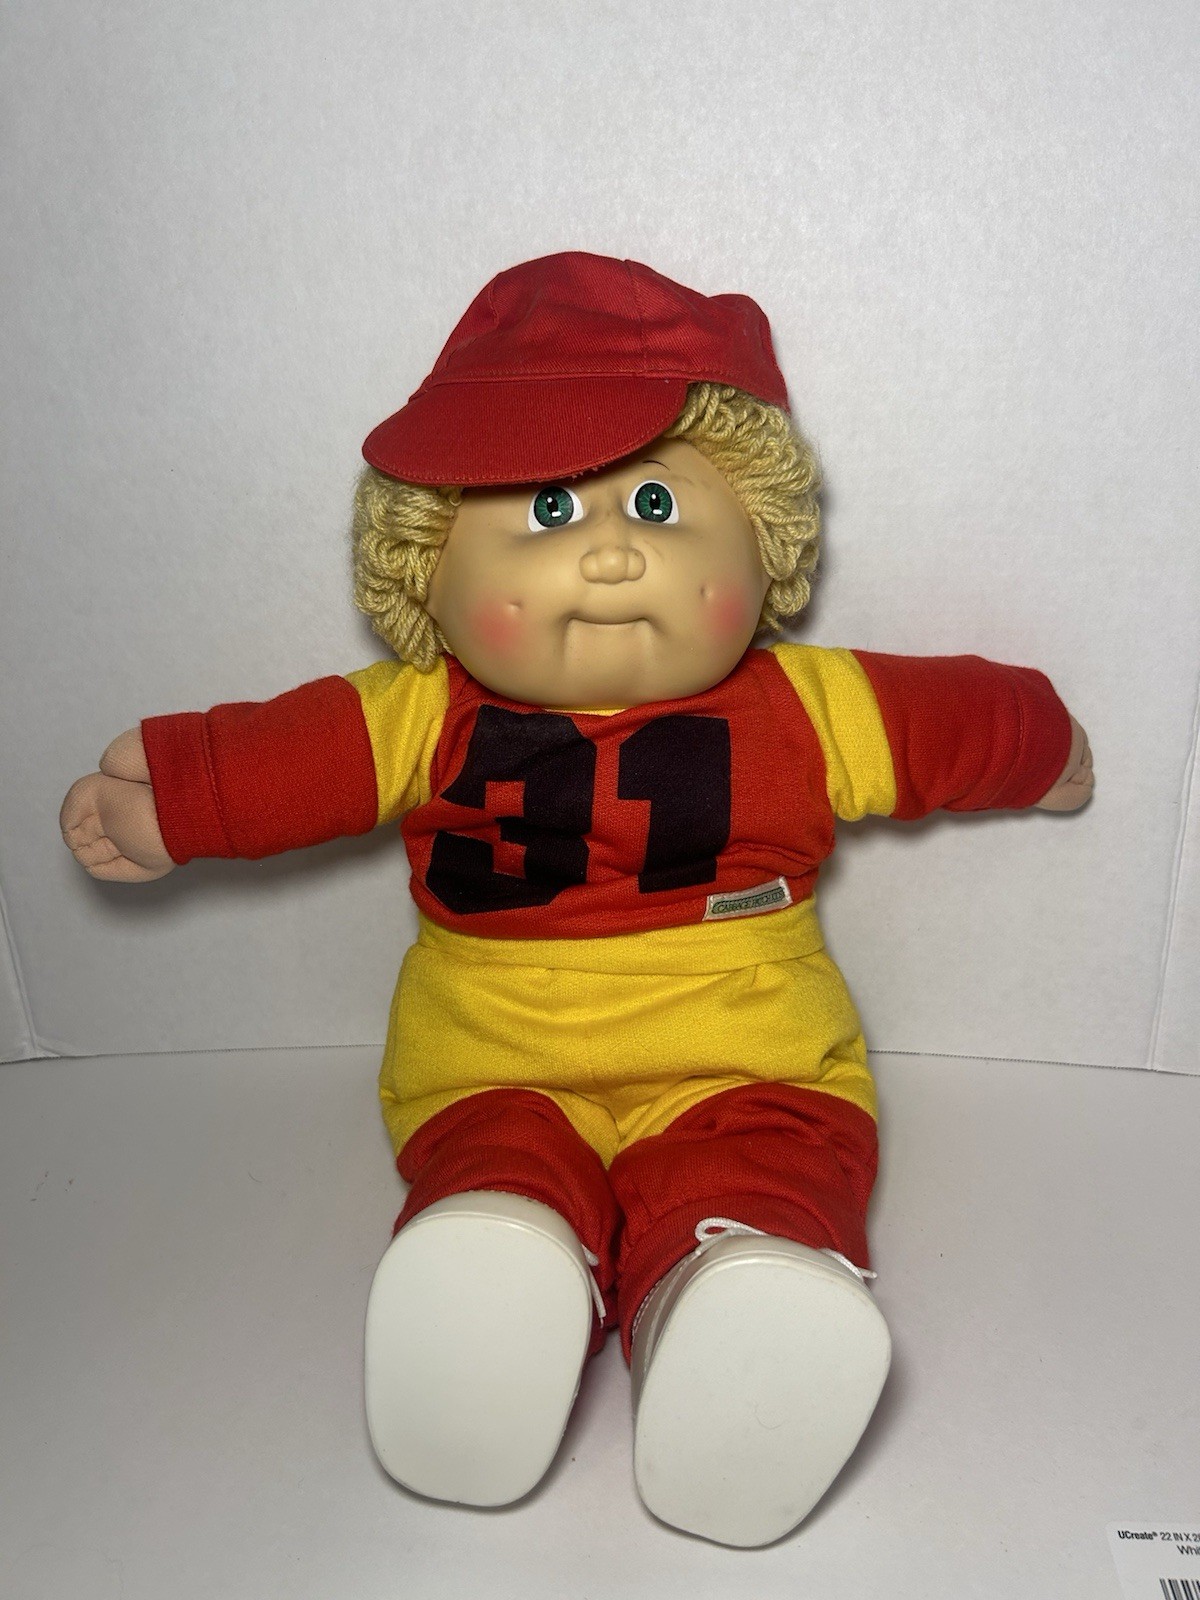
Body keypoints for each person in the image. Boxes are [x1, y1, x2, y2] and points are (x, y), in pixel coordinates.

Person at [60, 251, 1094, 1548]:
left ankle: (727, 1302)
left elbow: (954, 722)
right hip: (495, 1064)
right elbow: (291, 759)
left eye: (657, 503)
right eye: (547, 510)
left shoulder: (810, 704)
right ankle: (501, 1270)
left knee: (770, 1169)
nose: (609, 553)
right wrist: (181, 797)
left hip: (747, 1062)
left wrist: (1040, 742)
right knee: (494, 1164)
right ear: (426, 572)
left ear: (763, 542)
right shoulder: (420, 712)